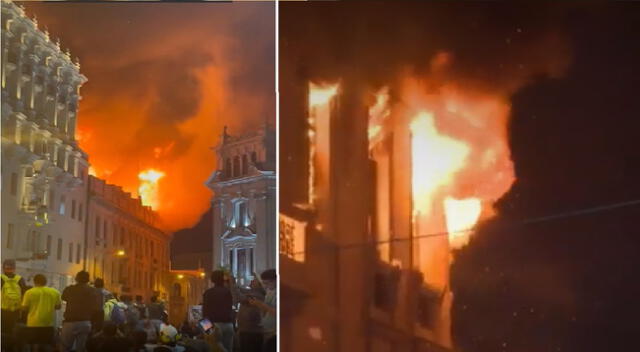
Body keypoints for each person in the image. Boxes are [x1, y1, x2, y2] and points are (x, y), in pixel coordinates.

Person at [61, 271, 100, 352]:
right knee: (81, 348)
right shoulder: (93, 291)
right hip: (85, 322)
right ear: (88, 279)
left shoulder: (69, 289)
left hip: (70, 322)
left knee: (65, 347)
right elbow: (96, 308)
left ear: (76, 278)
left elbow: (63, 297)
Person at [20, 274, 61, 352]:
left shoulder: (29, 292)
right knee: (46, 344)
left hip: (33, 324)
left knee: (34, 345)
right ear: (45, 282)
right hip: (48, 324)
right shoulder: (55, 292)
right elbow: (58, 307)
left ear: (34, 281)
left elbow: (24, 308)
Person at [202, 270, 234, 352]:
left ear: (212, 280)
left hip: (214, 325)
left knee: (213, 349)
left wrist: (206, 330)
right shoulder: (228, 292)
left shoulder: (208, 293)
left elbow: (205, 311)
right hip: (228, 324)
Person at [1, 259, 28, 351]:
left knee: (2, 331)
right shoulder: (20, 279)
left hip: (2, 309)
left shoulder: (1, 278)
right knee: (13, 331)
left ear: (3, 267)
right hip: (16, 311)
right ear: (14, 268)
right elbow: (25, 294)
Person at [248, 269, 276, 352]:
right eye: (264, 283)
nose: (265, 286)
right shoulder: (270, 291)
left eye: (267, 283)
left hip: (275, 333)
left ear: (275, 280)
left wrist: (259, 304)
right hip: (267, 331)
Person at [236, 286, 265, 352]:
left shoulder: (258, 295)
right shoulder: (252, 292)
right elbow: (242, 290)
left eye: (254, 278)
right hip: (246, 330)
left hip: (252, 331)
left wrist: (232, 283)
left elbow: (239, 298)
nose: (252, 280)